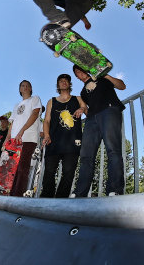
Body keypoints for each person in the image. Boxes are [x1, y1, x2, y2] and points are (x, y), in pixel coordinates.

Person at [72, 65, 127, 197]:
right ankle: (80, 193)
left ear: (86, 68)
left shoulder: (102, 78)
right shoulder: (83, 92)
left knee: (112, 149)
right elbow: (86, 107)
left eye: (81, 70)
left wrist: (104, 74)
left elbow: (122, 86)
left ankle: (114, 189)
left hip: (109, 111)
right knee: (86, 155)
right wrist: (82, 109)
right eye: (77, 73)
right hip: (91, 119)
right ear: (77, 77)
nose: (80, 73)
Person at [41, 74, 87, 198]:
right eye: (61, 81)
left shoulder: (77, 98)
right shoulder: (51, 101)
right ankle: (45, 200)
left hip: (72, 142)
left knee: (68, 173)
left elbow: (86, 108)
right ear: (58, 85)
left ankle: (60, 201)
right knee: (49, 172)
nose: (64, 82)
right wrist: (46, 135)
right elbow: (46, 121)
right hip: (54, 141)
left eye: (66, 80)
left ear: (69, 84)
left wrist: (82, 109)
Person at [7, 80, 42, 197]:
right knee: (11, 169)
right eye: (23, 85)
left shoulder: (35, 99)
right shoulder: (16, 105)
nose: (25, 87)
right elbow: (11, 124)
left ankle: (17, 197)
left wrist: (22, 130)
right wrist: (7, 140)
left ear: (31, 89)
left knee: (23, 167)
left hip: (28, 137)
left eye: (28, 85)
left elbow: (35, 114)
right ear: (20, 89)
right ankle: (9, 195)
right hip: (14, 140)